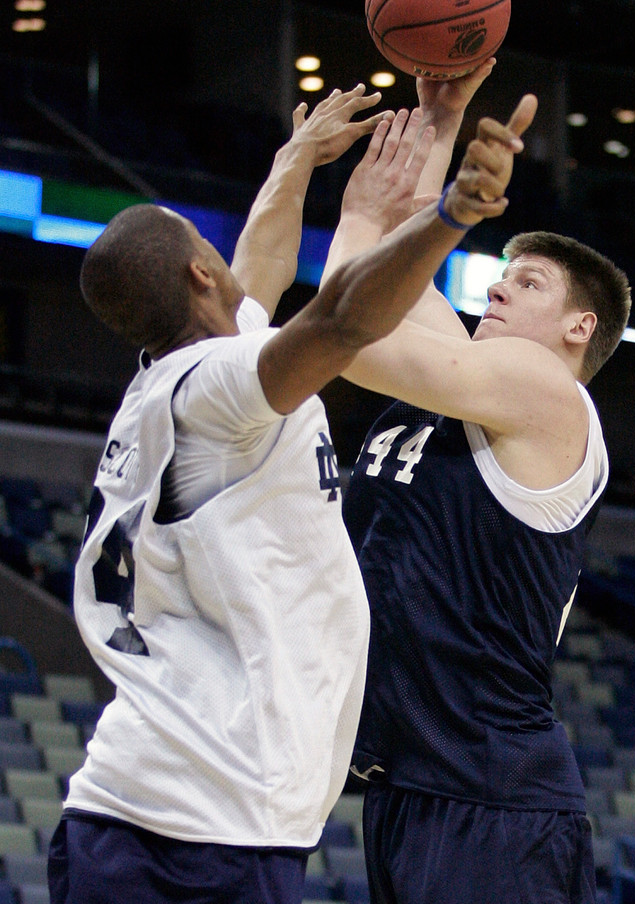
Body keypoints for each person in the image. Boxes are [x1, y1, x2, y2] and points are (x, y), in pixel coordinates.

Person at [48, 83, 518, 904]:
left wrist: (296, 160)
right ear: (201, 269)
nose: (226, 258)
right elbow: (337, 321)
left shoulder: (174, 377)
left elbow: (261, 266)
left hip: (141, 805)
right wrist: (449, 218)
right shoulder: (223, 387)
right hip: (207, 825)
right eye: (206, 243)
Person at [321, 67, 632, 904]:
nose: (495, 283)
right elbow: (400, 277)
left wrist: (356, 217)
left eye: (527, 282)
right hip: (412, 786)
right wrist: (440, 116)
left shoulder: (545, 392)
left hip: (491, 802)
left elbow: (344, 331)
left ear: (580, 327)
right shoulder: (467, 384)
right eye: (500, 272)